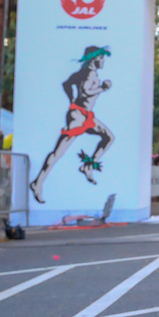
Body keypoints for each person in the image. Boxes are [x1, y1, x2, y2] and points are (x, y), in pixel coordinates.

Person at [30, 46, 114, 203]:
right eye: (101, 58)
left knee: (107, 137)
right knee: (58, 152)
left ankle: (88, 166)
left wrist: (71, 100)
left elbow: (66, 84)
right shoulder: (90, 73)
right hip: (78, 117)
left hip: (84, 115)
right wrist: (103, 88)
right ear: (95, 58)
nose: (103, 61)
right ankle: (38, 182)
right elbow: (85, 91)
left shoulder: (80, 73)